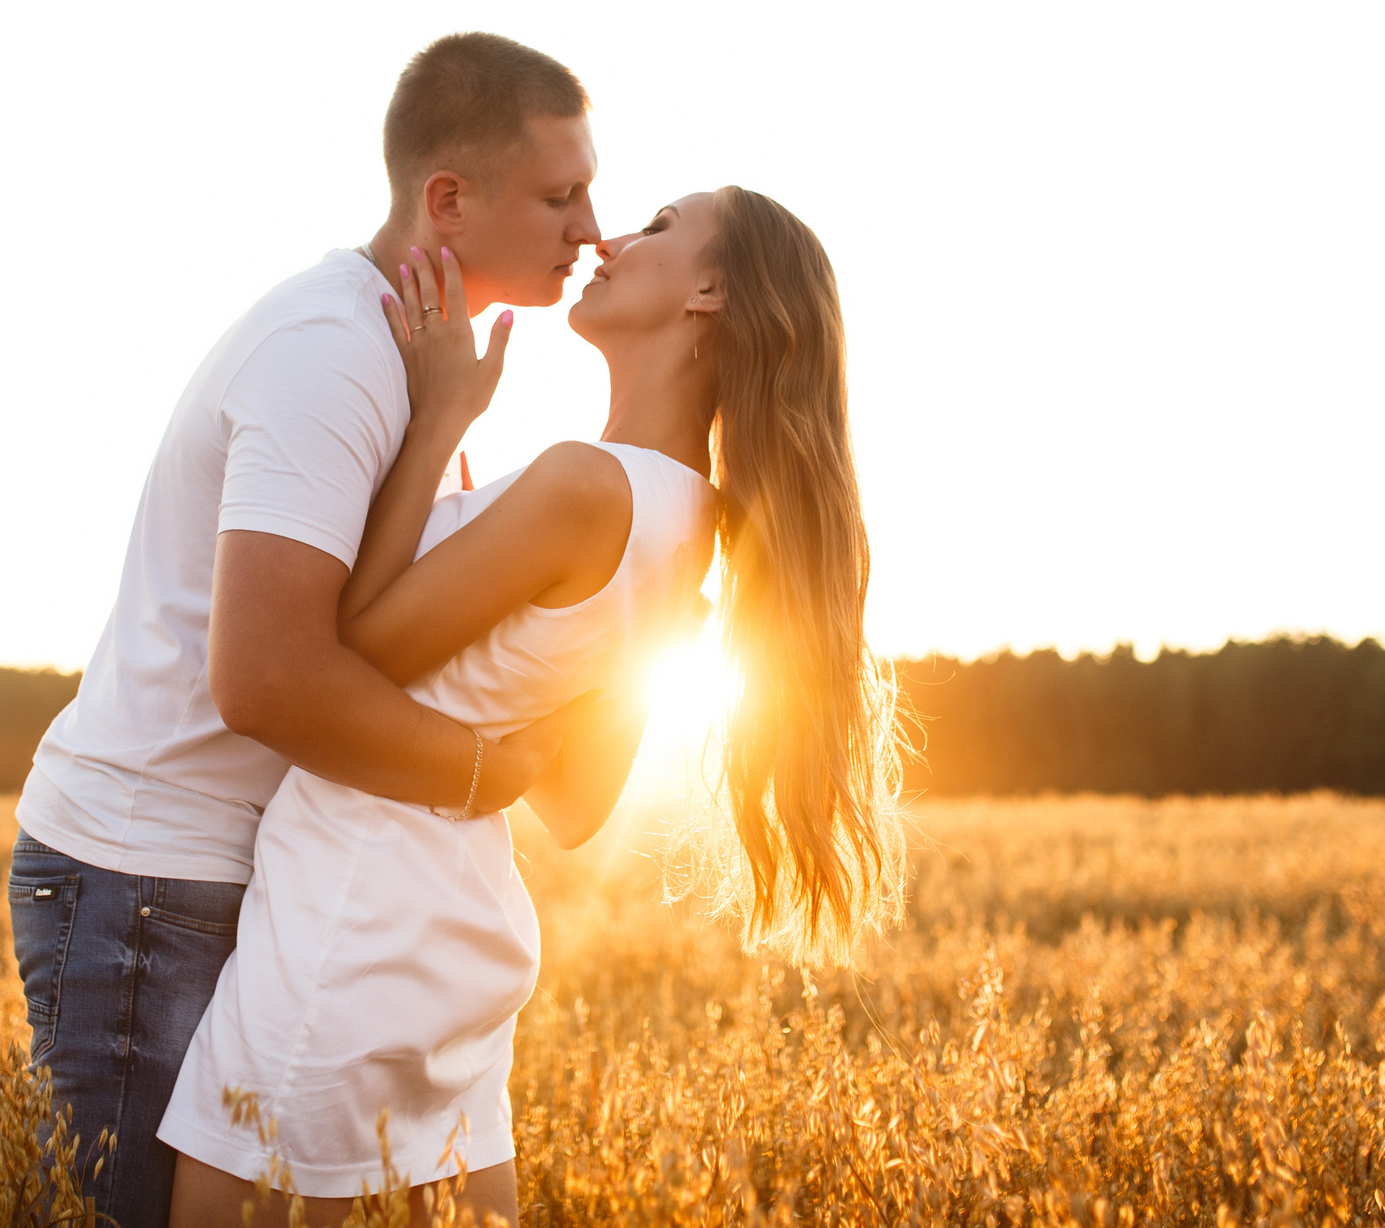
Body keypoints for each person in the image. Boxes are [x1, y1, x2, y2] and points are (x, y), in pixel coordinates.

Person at [161, 188, 908, 1228]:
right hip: (460, 947)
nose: (609, 237)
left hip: (343, 924)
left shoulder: (583, 487)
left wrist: (435, 424)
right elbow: (574, 804)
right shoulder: (690, 531)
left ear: (708, 292)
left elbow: (341, 653)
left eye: (657, 226)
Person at [8, 33, 604, 1228]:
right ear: (447, 198)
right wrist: (488, 774)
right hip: (144, 876)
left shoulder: (414, 367)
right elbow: (270, 679)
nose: (590, 227)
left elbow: (373, 632)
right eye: (559, 194)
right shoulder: (331, 356)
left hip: (222, 871)